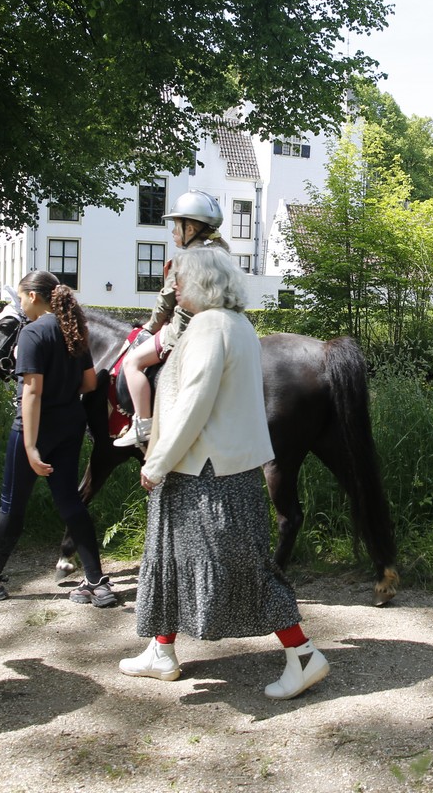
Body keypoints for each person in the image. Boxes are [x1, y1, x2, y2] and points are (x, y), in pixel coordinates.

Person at [117, 246, 329, 701]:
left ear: (201, 283)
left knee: (242, 568)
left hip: (206, 471)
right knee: (172, 557)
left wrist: (156, 461)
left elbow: (194, 403)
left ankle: (304, 654)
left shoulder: (211, 326)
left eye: (179, 280)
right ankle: (161, 650)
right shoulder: (237, 324)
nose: (173, 288)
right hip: (217, 466)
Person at [0, 269, 117, 607]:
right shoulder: (75, 331)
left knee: (12, 506)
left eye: (21, 297)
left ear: (32, 296)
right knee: (70, 503)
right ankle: (96, 582)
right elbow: (89, 383)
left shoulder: (32, 333)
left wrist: (29, 446)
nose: (21, 304)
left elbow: (32, 392)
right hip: (70, 426)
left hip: (35, 429)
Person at [112, 190, 230, 450]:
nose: (173, 232)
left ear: (190, 228)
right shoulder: (222, 255)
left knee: (132, 362)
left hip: (183, 330)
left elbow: (166, 302)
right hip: (219, 329)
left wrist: (150, 327)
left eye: (176, 226)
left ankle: (143, 423)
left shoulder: (185, 259)